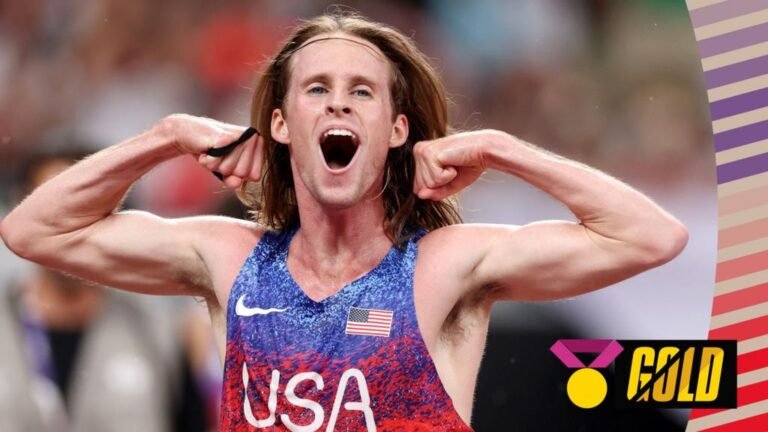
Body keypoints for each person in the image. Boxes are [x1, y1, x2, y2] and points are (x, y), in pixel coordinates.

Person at [0, 12, 688, 431]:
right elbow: (35, 231)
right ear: (280, 124)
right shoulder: (228, 257)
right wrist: (168, 135)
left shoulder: (445, 264)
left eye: (361, 91)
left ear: (396, 129)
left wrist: (501, 149)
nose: (338, 105)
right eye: (317, 89)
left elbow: (652, 236)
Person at [0, 150, 215, 432]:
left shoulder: (158, 329)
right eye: (50, 210)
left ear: (110, 214)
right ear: (20, 212)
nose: (64, 228)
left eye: (81, 208)